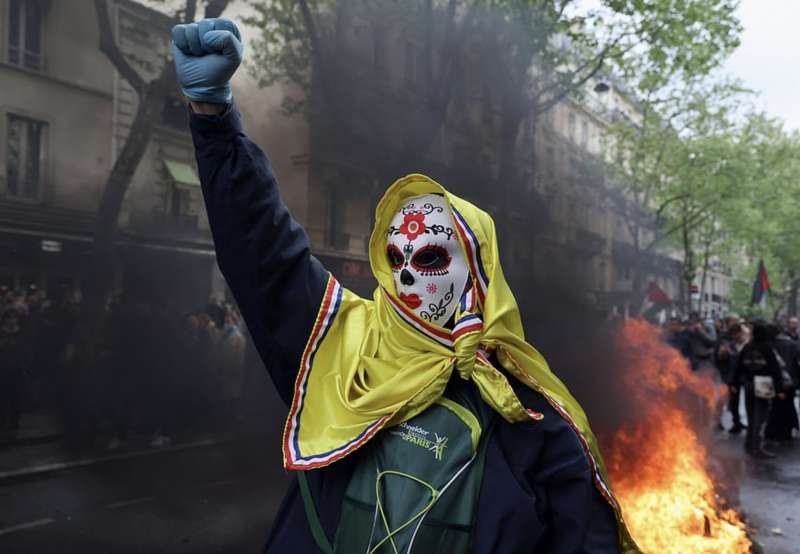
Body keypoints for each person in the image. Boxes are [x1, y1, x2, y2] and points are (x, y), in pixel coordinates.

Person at [171, 18, 637, 553]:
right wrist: (213, 121)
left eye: (433, 256)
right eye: (395, 258)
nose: (408, 273)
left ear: (478, 272)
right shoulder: (344, 348)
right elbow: (264, 253)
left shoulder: (532, 418)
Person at [734, 322, 785, 458]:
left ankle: (749, 444)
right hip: (764, 382)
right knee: (761, 416)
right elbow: (775, 369)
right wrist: (780, 389)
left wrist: (735, 383)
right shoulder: (767, 347)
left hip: (749, 383)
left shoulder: (747, 347)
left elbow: (738, 366)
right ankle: (757, 447)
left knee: (751, 415)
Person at [765, 324, 799, 442]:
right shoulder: (792, 344)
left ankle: (775, 432)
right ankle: (787, 431)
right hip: (791, 380)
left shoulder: (769, 345)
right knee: (788, 405)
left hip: (775, 380)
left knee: (776, 406)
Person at [715, 323, 748, 434]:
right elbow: (721, 359)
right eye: (733, 335)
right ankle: (736, 422)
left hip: (744, 377)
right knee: (733, 401)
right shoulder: (730, 345)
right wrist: (723, 353)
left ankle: (739, 422)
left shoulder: (746, 345)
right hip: (731, 377)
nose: (735, 337)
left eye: (737, 334)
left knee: (745, 401)